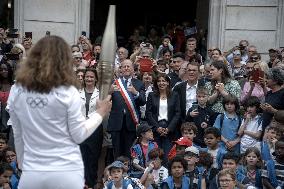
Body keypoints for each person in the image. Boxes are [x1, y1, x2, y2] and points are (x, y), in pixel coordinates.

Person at [7, 36, 112, 189]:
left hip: (33, 172)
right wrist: (100, 112)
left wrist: (23, 165)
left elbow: (18, 133)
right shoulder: (69, 91)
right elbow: (79, 134)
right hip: (66, 172)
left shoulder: (17, 90)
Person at [108, 59, 146, 159]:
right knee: (116, 153)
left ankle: (128, 174)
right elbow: (104, 101)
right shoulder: (114, 83)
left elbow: (143, 101)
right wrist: (109, 92)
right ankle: (117, 172)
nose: (126, 68)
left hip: (131, 124)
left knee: (129, 153)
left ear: (133, 69)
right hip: (116, 124)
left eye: (128, 66)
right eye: (124, 66)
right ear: (121, 69)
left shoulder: (139, 83)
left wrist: (135, 93)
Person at [78, 68, 103, 188]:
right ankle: (81, 184)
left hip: (95, 129)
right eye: (87, 77)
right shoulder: (77, 92)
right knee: (81, 158)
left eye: (91, 77)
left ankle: (91, 184)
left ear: (96, 79)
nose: (89, 79)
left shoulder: (100, 94)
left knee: (93, 159)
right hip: (80, 128)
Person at [146, 73, 181, 158]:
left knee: (168, 155)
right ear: (156, 83)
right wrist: (157, 127)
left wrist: (169, 128)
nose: (161, 83)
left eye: (163, 81)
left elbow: (177, 113)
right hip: (156, 129)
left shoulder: (174, 95)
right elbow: (148, 113)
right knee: (155, 155)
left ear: (168, 83)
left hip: (169, 129)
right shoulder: (151, 95)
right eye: (159, 81)